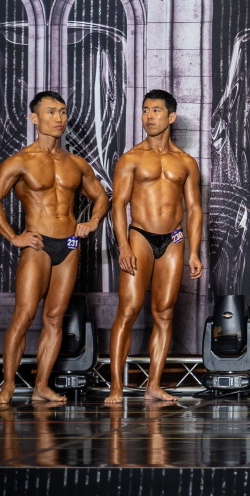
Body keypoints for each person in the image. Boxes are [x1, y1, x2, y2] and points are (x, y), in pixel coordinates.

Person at [0, 91, 109, 404]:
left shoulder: (75, 163)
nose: (59, 118)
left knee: (55, 318)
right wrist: (14, 237)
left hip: (70, 246)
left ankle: (41, 387)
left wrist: (92, 221)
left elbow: (101, 197)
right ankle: (8, 386)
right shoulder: (20, 161)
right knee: (24, 316)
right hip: (38, 245)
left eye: (62, 112)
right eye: (51, 112)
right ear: (35, 118)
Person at [106, 90, 204, 403]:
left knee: (164, 312)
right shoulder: (131, 158)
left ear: (171, 117)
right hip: (140, 237)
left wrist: (194, 251)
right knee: (129, 309)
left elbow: (194, 208)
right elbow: (118, 204)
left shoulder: (186, 162)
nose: (149, 116)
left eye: (156, 110)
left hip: (173, 240)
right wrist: (123, 247)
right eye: (145, 110)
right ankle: (116, 387)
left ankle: (154, 385)